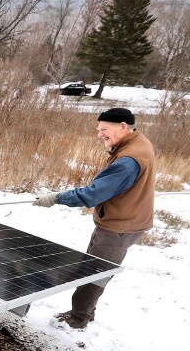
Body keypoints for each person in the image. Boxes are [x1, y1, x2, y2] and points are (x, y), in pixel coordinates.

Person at [33, 107, 155, 329]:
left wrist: (56, 198)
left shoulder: (128, 160)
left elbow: (92, 194)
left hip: (119, 227)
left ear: (123, 127)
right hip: (128, 220)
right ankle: (84, 312)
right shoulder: (139, 142)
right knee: (92, 267)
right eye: (98, 129)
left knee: (95, 272)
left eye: (104, 129)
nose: (99, 134)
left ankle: (79, 319)